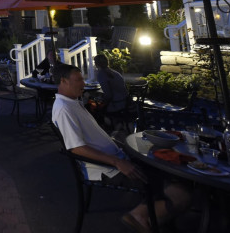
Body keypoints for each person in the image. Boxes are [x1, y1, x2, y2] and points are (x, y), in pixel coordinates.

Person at [51, 63, 189, 232]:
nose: (83, 83)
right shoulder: (64, 109)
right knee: (176, 189)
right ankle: (142, 216)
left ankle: (157, 215)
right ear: (63, 81)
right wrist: (117, 162)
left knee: (164, 166)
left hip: (117, 158)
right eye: (78, 79)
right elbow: (76, 148)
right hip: (107, 168)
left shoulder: (73, 102)